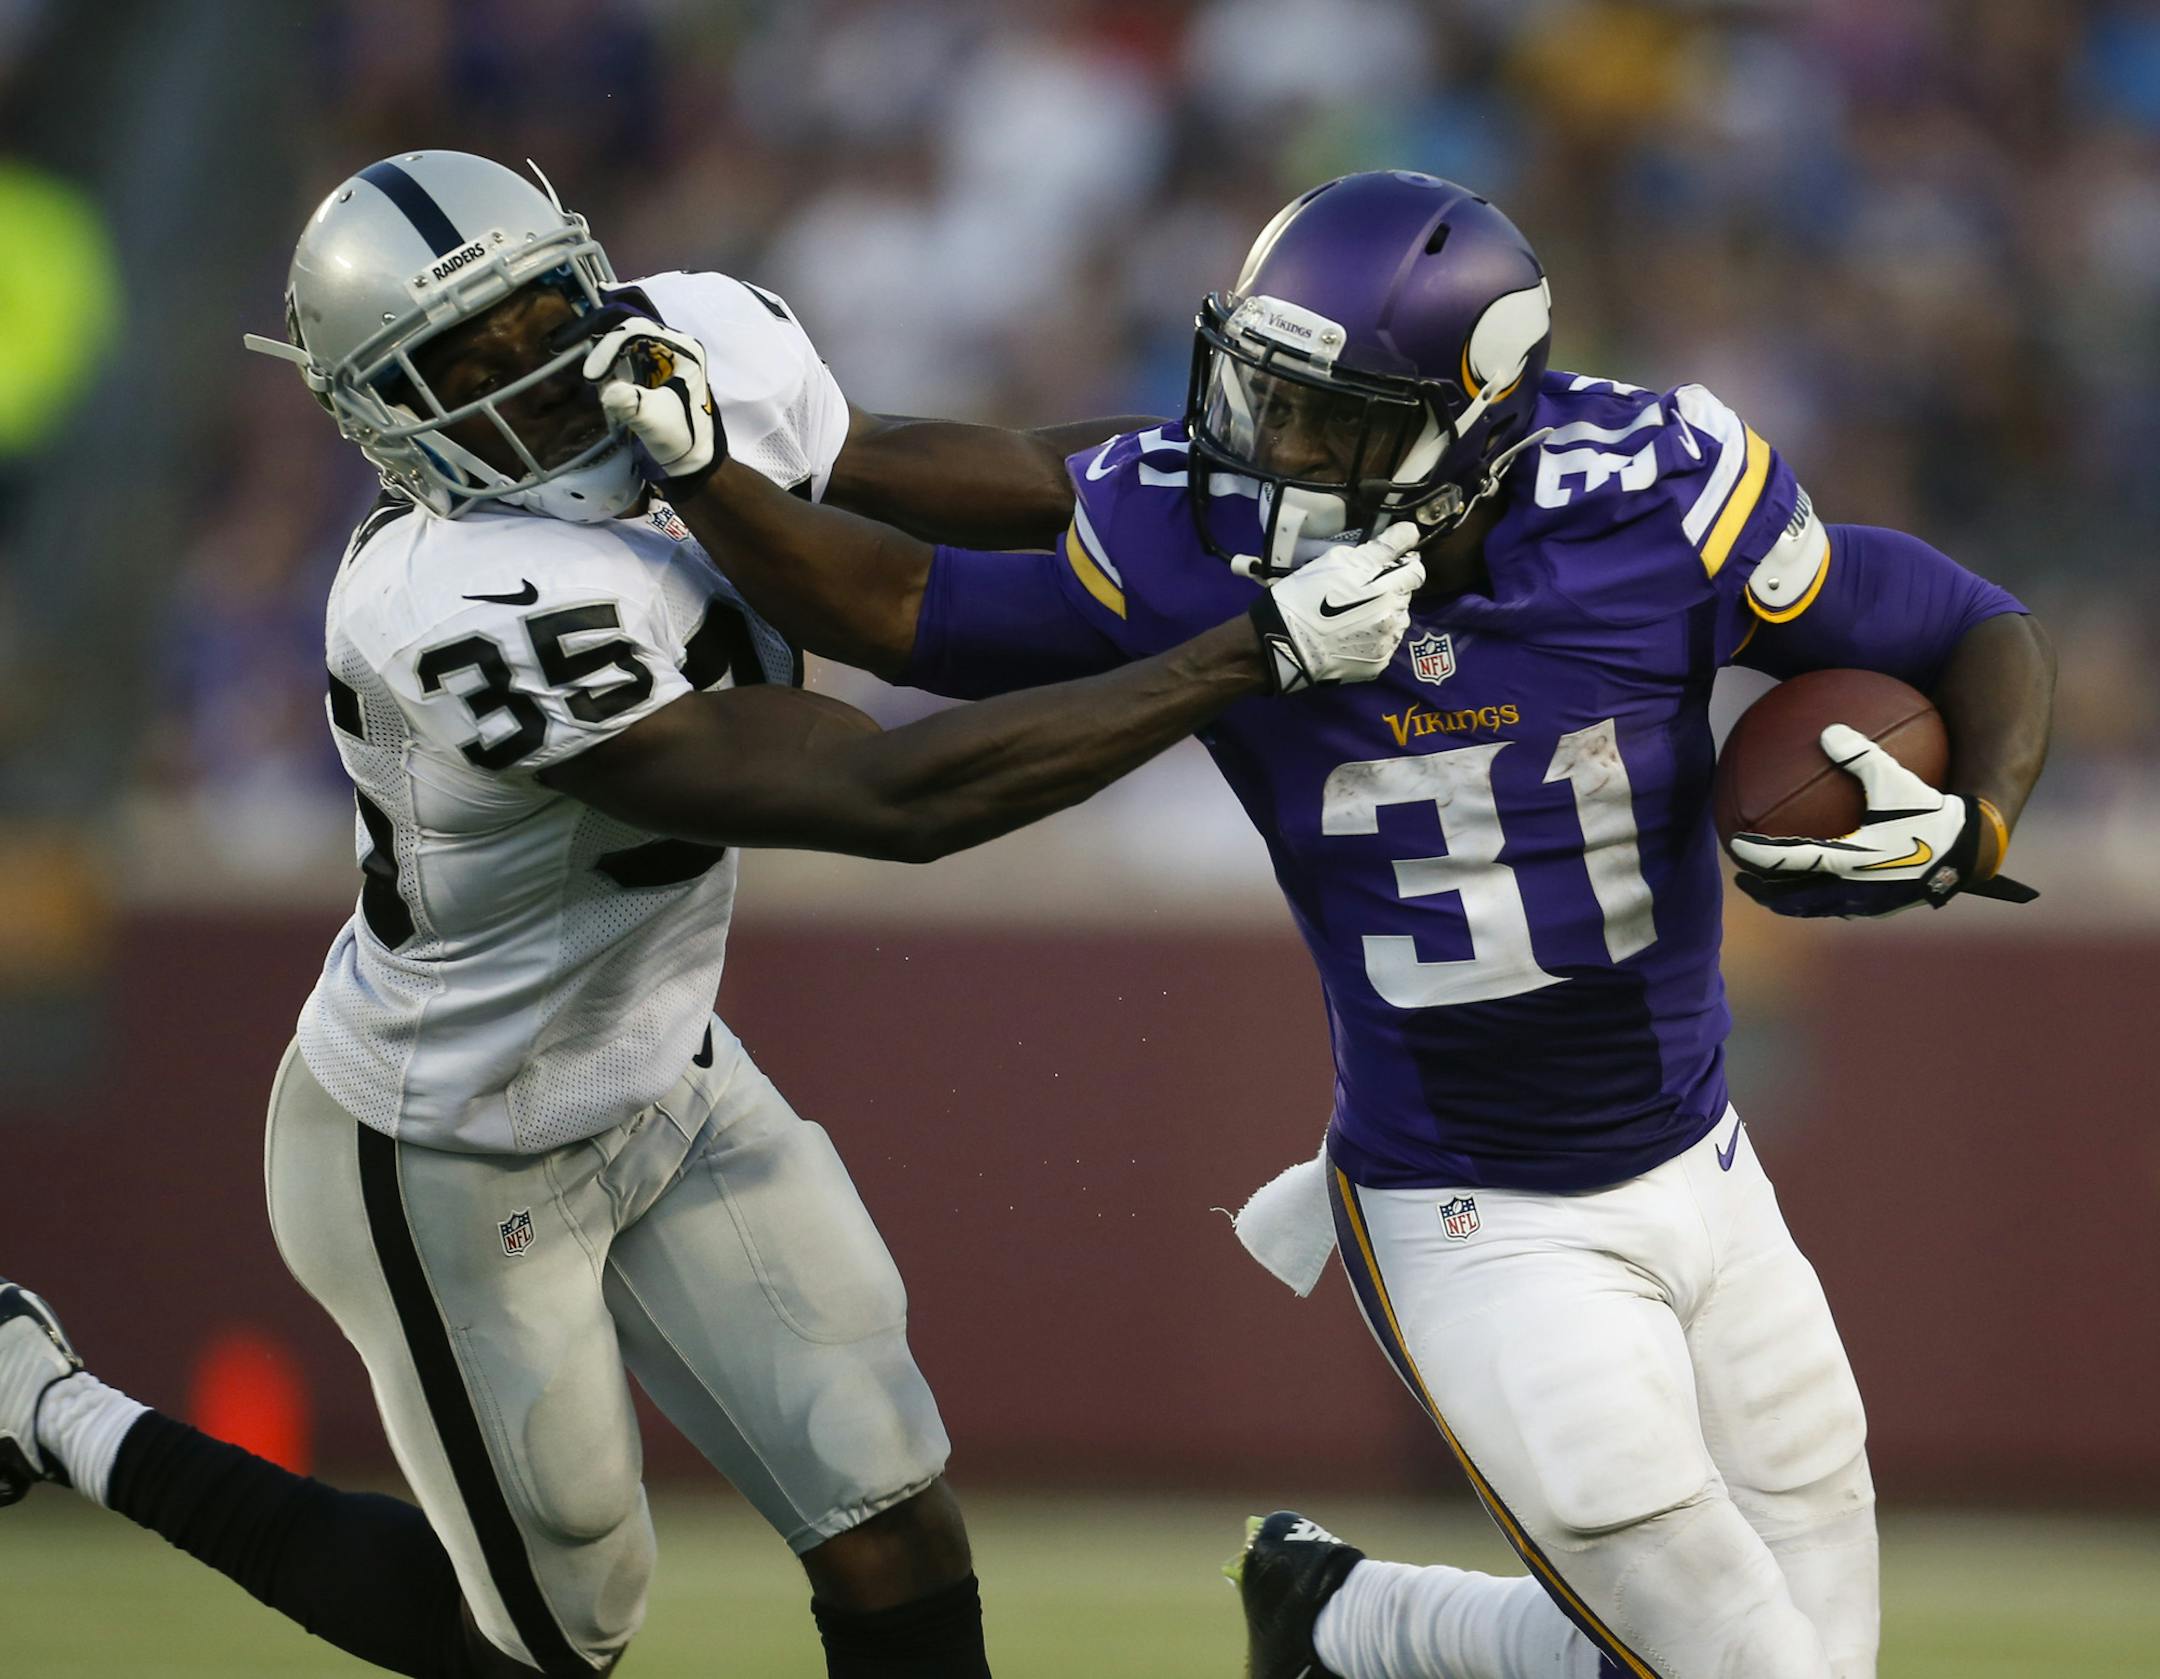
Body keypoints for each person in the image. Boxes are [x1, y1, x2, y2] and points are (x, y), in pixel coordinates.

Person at [0, 151, 1428, 1679]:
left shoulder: (691, 346)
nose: (533, 377)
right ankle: (47, 1405)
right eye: (460, 364)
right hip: (449, 1138)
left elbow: (974, 469)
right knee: (551, 1638)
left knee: (888, 1506)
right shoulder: (447, 604)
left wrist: (1261, 484)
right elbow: (891, 801)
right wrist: (1248, 651)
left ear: (587, 273)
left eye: (540, 315)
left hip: (665, 1067)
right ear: (378, 412)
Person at [626, 170, 2056, 1679]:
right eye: (1268, 392)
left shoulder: (1653, 495)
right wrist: (715, 475)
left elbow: (1961, 620)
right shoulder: (1215, 546)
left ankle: (1343, 1627)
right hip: (1474, 1214)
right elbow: (905, 611)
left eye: (1336, 417)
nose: (1273, 447)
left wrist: (1980, 820)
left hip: (1710, 1174)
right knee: (1748, 1669)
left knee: (1804, 1657)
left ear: (1483, 417)